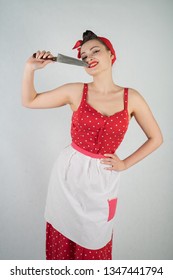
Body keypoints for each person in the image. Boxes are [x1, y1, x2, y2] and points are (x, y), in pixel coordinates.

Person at [22, 30, 163, 260]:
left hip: (103, 181)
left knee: (95, 243)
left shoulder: (132, 97)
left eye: (95, 51)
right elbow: (30, 100)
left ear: (111, 55)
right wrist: (30, 68)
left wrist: (125, 163)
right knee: (62, 246)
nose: (88, 58)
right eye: (83, 56)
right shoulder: (76, 90)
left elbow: (156, 138)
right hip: (68, 177)